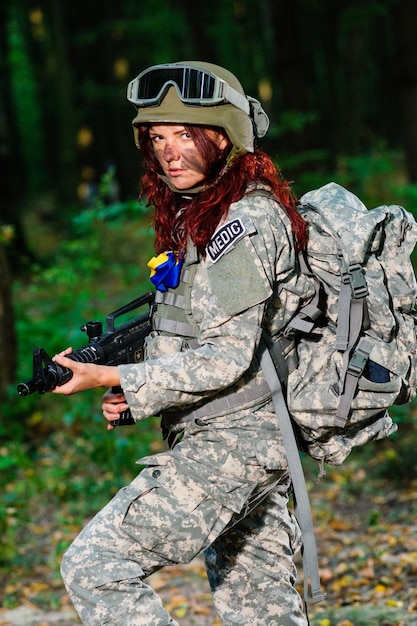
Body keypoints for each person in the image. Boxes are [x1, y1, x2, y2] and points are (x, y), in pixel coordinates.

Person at [52, 61, 314, 626]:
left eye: (186, 135)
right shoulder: (206, 215)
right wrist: (138, 391)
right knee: (259, 607)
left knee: (96, 564)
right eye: (158, 138)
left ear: (223, 137)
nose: (170, 152)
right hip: (251, 437)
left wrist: (117, 378)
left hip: (234, 443)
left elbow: (227, 355)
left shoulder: (240, 225)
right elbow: (202, 334)